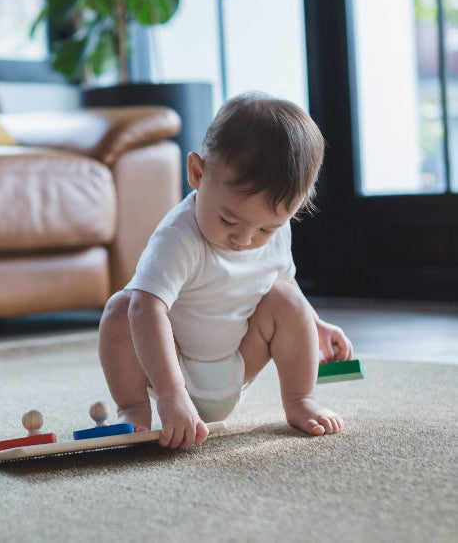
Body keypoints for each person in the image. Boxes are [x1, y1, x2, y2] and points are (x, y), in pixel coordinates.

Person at [98, 92, 354, 449]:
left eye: (266, 229)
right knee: (124, 308)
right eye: (229, 219)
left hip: (237, 364)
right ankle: (133, 409)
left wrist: (316, 326)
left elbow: (283, 287)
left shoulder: (275, 232)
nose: (245, 239)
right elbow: (147, 309)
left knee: (283, 293)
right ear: (197, 173)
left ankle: (300, 400)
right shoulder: (178, 237)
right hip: (171, 371)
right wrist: (172, 395)